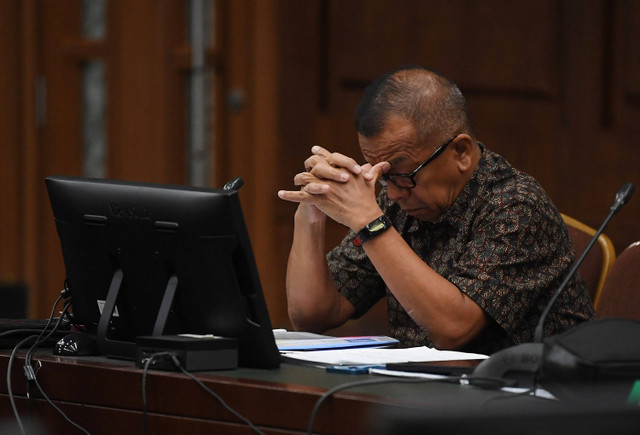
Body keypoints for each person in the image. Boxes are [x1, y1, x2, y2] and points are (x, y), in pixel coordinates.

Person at [277, 66, 594, 354]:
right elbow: (312, 316)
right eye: (380, 174)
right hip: (432, 395)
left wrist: (369, 221)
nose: (393, 192)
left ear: (461, 152)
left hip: (533, 401)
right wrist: (312, 208)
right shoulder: (398, 200)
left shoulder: (516, 206)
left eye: (402, 173)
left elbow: (454, 329)